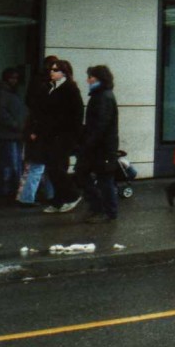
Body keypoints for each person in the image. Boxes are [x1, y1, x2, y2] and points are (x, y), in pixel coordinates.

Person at [38, 59, 84, 213]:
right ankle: (59, 200)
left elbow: (77, 115)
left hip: (64, 136)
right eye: (51, 69)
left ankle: (73, 195)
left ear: (64, 72)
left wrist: (70, 136)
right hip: (52, 136)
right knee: (55, 168)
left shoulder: (70, 89)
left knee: (56, 168)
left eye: (56, 69)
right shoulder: (52, 88)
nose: (52, 71)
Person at [78, 65, 119, 223]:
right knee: (95, 176)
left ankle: (106, 210)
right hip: (100, 146)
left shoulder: (103, 97)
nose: (88, 80)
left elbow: (100, 125)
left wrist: (87, 143)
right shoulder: (101, 95)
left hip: (101, 147)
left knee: (103, 179)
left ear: (100, 79)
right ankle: (100, 208)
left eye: (91, 77)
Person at [17, 56, 57, 207]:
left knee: (38, 166)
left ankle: (32, 196)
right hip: (41, 130)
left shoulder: (38, 82)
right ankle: (32, 197)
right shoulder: (45, 85)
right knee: (39, 166)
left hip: (38, 129)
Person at [0, 67, 27, 198]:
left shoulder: (9, 92)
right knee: (12, 164)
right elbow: (2, 114)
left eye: (16, 78)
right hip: (10, 133)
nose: (14, 81)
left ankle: (8, 190)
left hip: (13, 133)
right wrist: (18, 125)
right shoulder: (3, 93)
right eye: (12, 78)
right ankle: (8, 190)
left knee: (12, 163)